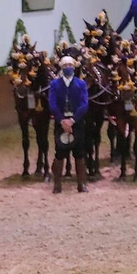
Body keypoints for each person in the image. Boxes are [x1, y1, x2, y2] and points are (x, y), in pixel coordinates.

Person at [48, 56, 89, 193]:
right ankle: (57, 184)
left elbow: (84, 105)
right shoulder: (54, 85)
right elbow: (52, 104)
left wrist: (72, 120)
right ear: (61, 67)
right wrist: (62, 121)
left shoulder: (81, 84)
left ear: (74, 66)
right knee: (60, 153)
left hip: (77, 122)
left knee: (79, 153)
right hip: (61, 123)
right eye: (65, 65)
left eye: (70, 65)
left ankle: (81, 183)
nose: (67, 67)